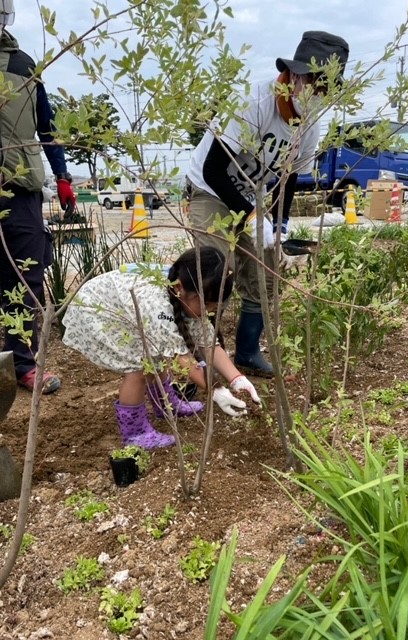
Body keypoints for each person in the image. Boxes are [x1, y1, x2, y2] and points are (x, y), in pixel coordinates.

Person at [186, 31, 349, 377]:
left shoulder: (310, 124)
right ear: (294, 76)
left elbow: (288, 177)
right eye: (312, 84)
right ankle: (204, 363)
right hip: (210, 191)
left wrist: (279, 224)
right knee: (211, 273)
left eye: (324, 89)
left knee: (266, 275)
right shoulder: (255, 102)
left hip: (250, 198)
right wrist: (252, 217)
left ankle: (246, 353)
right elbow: (212, 169)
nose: (316, 95)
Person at [62, 247, 261, 450]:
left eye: (214, 305)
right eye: (207, 304)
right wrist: (216, 391)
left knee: (155, 354)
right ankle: (135, 433)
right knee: (139, 367)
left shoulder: (183, 295)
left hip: (128, 306)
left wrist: (237, 379)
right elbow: (183, 359)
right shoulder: (158, 307)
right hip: (97, 310)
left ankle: (166, 405)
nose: (209, 311)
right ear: (179, 288)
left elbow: (208, 344)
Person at [0, 0, 76, 394]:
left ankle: (23, 366)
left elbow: (46, 126)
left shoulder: (24, 66)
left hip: (21, 190)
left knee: (26, 276)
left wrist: (63, 174)